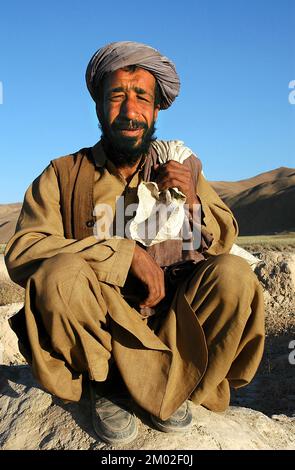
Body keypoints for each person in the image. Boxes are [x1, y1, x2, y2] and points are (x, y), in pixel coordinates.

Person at [5, 41, 265, 445]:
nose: (129, 111)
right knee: (59, 275)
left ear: (157, 107)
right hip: (101, 328)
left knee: (234, 275)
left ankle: (177, 380)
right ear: (98, 106)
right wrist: (121, 255)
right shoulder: (63, 174)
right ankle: (105, 384)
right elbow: (25, 251)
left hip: (171, 324)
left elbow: (224, 237)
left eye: (141, 97)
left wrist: (192, 200)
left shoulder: (180, 164)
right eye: (116, 97)